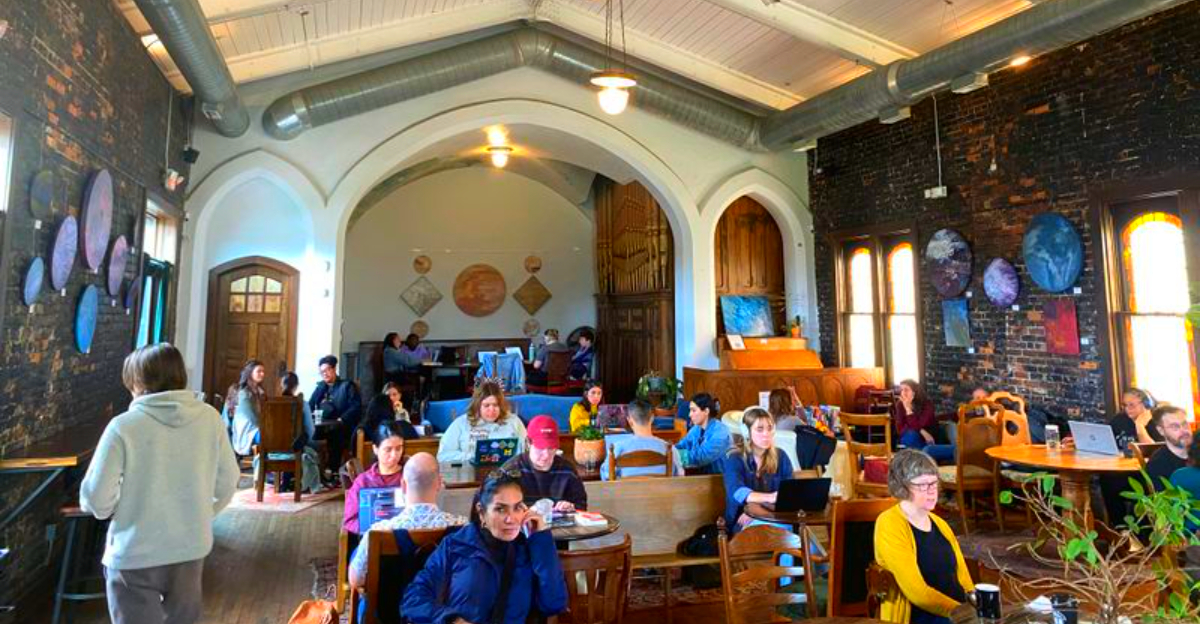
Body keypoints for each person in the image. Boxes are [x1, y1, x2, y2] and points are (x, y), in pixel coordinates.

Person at [80, 343, 240, 624]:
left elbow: (96, 497)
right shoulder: (210, 419)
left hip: (134, 552)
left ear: (138, 382)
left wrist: (114, 511)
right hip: (190, 548)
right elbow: (228, 481)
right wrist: (202, 514)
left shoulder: (123, 426)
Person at [401, 472, 568, 624]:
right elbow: (413, 600)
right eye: (500, 509)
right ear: (481, 512)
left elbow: (554, 604)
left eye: (517, 507)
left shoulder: (530, 549)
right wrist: (451, 620)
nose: (511, 519)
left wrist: (542, 537)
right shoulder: (456, 545)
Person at [874, 449, 974, 624]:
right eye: (922, 485)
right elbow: (918, 594)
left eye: (934, 483)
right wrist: (963, 613)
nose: (931, 491)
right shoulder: (889, 523)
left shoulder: (940, 523)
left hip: (957, 612)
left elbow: (963, 577)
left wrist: (975, 603)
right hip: (923, 616)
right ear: (902, 487)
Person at [348, 452, 467, 589]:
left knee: (357, 553)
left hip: (393, 602)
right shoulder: (462, 527)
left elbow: (356, 580)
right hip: (445, 601)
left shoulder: (378, 531)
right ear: (439, 483)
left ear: (403, 485)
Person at [721, 407, 793, 530]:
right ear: (746, 432)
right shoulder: (734, 458)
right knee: (785, 533)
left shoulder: (781, 456)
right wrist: (770, 498)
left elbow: (789, 492)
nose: (766, 434)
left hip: (774, 516)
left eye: (769, 428)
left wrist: (759, 511)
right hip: (741, 520)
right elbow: (737, 492)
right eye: (760, 429)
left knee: (806, 538)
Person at [497, 415, 587, 512]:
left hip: (560, 521)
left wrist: (572, 507)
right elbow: (497, 509)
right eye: (540, 448)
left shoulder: (567, 470)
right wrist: (524, 511)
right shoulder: (510, 470)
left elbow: (581, 505)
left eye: (551, 448)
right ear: (528, 443)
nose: (546, 455)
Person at [344, 421, 410, 534]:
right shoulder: (363, 481)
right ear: (375, 449)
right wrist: (369, 528)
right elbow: (350, 520)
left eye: (399, 448)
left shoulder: (410, 476)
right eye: (388, 450)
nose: (394, 455)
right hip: (372, 539)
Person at [437, 381, 527, 463]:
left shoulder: (514, 421)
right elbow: (443, 456)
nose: (491, 410)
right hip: (470, 471)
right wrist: (473, 457)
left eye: (495, 405)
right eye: (486, 405)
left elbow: (527, 451)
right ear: (477, 406)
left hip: (506, 470)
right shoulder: (461, 423)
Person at [601, 399, 684, 480]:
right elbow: (679, 477)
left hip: (628, 490)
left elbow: (607, 477)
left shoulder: (617, 448)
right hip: (661, 489)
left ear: (630, 421)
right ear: (652, 418)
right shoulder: (670, 449)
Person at [310, 355, 364, 474]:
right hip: (322, 425)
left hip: (342, 425)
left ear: (334, 369)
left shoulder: (347, 386)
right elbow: (310, 405)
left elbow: (356, 407)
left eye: (327, 370)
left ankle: (332, 470)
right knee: (308, 434)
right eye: (322, 372)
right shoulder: (321, 387)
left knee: (335, 434)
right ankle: (313, 470)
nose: (324, 374)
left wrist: (342, 419)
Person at [892, 380, 954, 463]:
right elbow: (900, 429)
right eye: (901, 390)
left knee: (926, 448)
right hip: (914, 440)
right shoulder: (900, 405)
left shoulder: (927, 404)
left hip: (929, 440)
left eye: (906, 390)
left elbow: (921, 424)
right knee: (910, 435)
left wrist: (908, 411)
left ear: (915, 392)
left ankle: (928, 457)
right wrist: (922, 431)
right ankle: (928, 458)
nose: (903, 393)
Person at [675, 393, 731, 474]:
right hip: (701, 476)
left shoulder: (721, 433)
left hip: (718, 478)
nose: (689, 415)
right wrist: (671, 450)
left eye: (693, 410)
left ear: (706, 411)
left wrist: (674, 455)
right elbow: (683, 444)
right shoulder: (696, 429)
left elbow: (701, 457)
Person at [1145, 404, 1192, 489]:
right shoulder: (1156, 465)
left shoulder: (1197, 451)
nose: (1183, 431)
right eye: (1175, 427)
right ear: (1161, 431)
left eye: (1185, 424)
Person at [227, 359, 266, 457]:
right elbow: (252, 418)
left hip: (259, 428)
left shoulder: (260, 392)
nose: (262, 374)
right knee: (270, 437)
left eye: (263, 371)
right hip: (248, 432)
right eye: (259, 371)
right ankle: (263, 463)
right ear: (250, 373)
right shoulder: (243, 393)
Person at [281, 371, 316, 449]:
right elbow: (310, 431)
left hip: (273, 450)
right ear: (296, 386)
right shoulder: (303, 404)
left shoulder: (271, 403)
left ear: (282, 384)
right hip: (296, 450)